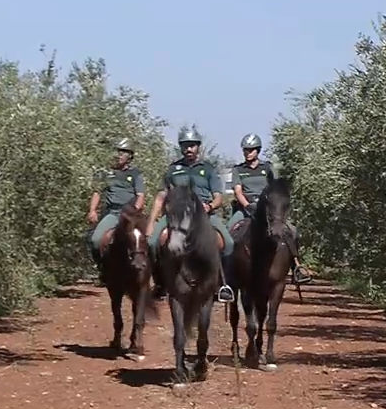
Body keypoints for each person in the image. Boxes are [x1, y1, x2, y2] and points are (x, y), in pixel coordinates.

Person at [146, 127, 235, 302]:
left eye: (192, 146)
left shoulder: (208, 169)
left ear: (198, 147)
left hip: (204, 215)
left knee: (229, 243)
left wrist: (209, 207)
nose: (189, 149)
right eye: (185, 146)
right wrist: (151, 221)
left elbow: (219, 198)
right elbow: (160, 197)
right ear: (181, 148)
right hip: (176, 215)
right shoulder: (173, 169)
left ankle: (222, 284)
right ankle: (160, 283)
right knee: (152, 242)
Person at [228, 133, 313, 284]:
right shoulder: (238, 170)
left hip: (269, 210)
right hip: (245, 209)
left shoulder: (267, 168)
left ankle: (297, 268)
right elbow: (238, 191)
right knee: (229, 231)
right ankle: (227, 274)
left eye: (251, 150)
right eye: (245, 150)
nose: (248, 153)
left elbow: (275, 189)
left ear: (258, 150)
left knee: (292, 231)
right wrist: (247, 206)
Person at [87, 138, 146, 282]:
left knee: (149, 240)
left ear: (130, 156)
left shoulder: (136, 174)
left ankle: (153, 275)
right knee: (95, 240)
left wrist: (135, 211)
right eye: (117, 151)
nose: (119, 155)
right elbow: (97, 192)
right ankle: (102, 269)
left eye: (123, 152)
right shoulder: (105, 173)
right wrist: (92, 210)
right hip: (113, 213)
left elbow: (141, 196)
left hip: (131, 214)